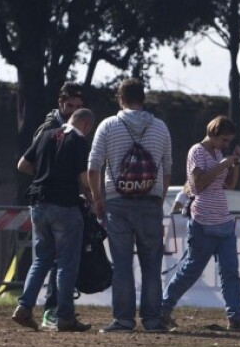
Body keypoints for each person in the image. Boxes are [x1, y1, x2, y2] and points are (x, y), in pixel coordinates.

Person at [87, 78, 174, 333]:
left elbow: (93, 167)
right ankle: (152, 320)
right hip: (151, 202)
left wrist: (97, 199)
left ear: (120, 98)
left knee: (123, 264)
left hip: (117, 202)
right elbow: (167, 169)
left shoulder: (108, 126)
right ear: (143, 98)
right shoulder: (160, 128)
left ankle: (124, 320)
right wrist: (158, 196)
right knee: (151, 264)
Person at [159, 116, 240, 332]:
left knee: (230, 271)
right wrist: (222, 164)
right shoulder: (197, 151)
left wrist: (235, 164)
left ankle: (235, 317)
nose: (226, 144)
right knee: (191, 270)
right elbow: (197, 184)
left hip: (223, 220)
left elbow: (229, 184)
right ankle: (163, 309)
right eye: (223, 139)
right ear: (212, 133)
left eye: (228, 141)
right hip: (202, 221)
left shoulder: (219, 153)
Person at [11, 108, 96, 333]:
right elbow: (83, 179)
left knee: (41, 260)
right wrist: (94, 193)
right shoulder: (78, 140)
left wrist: (45, 173)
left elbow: (23, 165)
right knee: (66, 264)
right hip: (65, 206)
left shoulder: (46, 135)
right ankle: (65, 317)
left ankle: (23, 307)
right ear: (86, 126)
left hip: (38, 204)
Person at [30, 82, 86, 329]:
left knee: (50, 260)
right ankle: (54, 310)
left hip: (47, 201)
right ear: (60, 102)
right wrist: (51, 178)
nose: (72, 110)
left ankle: (37, 307)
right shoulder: (50, 128)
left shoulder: (68, 129)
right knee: (58, 261)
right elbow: (30, 161)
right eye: (69, 105)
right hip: (57, 200)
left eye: (77, 106)